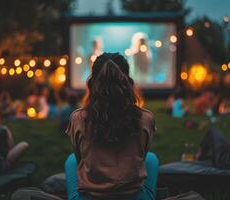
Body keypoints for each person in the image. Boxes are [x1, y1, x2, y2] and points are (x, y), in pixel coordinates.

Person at [64, 53, 159, 200]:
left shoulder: (78, 119)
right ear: (128, 82)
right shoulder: (146, 118)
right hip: (134, 197)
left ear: (93, 82)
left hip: (90, 197)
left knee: (71, 160)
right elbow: (142, 155)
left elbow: (79, 157)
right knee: (151, 159)